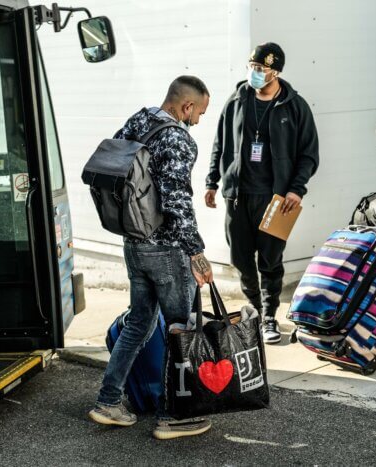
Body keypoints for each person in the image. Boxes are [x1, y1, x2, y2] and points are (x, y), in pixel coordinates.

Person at [88, 76, 214, 440]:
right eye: (199, 113)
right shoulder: (177, 138)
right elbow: (176, 202)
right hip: (167, 251)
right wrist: (197, 252)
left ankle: (108, 401)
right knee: (181, 329)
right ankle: (173, 417)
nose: (198, 121)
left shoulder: (138, 121)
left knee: (139, 324)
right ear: (186, 106)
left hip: (134, 244)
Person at [204, 42, 319, 344]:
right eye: (252, 67)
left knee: (270, 260)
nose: (254, 73)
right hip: (238, 196)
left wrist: (296, 190)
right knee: (241, 259)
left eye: (261, 70)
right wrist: (212, 181)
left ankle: (268, 316)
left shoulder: (295, 107)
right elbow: (220, 142)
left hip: (276, 200)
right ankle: (253, 309)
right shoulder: (237, 100)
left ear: (276, 72)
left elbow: (309, 154)